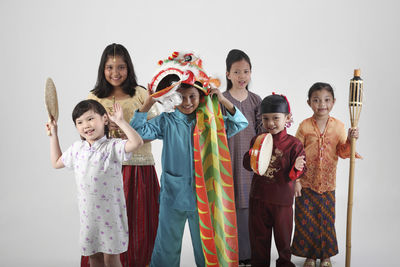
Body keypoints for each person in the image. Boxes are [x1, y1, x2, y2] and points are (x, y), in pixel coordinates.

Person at [130, 75, 248, 267]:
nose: (187, 102)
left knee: (205, 248)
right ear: (173, 98)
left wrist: (222, 99)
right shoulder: (166, 121)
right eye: (181, 97)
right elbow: (137, 132)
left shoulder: (211, 121)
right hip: (172, 195)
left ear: (201, 97)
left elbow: (240, 123)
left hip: (203, 198)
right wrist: (149, 102)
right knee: (166, 247)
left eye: (192, 96)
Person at [81, 43, 160, 267]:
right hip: (106, 170)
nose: (115, 73)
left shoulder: (142, 94)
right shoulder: (94, 97)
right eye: (110, 67)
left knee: (139, 223)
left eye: (121, 67)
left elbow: (154, 130)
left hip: (139, 168)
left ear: (129, 68)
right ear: (102, 69)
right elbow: (87, 133)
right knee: (106, 223)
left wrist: (129, 142)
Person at [46, 100, 143, 267]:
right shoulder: (77, 149)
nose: (86, 125)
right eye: (80, 122)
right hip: (89, 218)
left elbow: (137, 143)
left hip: (111, 217)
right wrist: (54, 134)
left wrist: (120, 121)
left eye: (90, 119)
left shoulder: (112, 146)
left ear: (104, 119)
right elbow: (56, 162)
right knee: (94, 258)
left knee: (112, 259)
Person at [291, 82, 360, 267]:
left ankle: (326, 256)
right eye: (316, 100)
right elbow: (295, 154)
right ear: (309, 103)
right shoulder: (304, 126)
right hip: (306, 184)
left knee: (326, 221)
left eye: (326, 100)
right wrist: (296, 180)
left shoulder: (339, 126)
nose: (322, 104)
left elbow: (344, 152)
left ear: (334, 102)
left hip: (328, 185)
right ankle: (311, 256)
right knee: (306, 220)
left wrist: (352, 139)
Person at [243, 94, 306, 267]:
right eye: (266, 118)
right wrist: (250, 156)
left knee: (283, 240)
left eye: (276, 118)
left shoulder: (294, 144)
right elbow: (248, 165)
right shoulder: (257, 140)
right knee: (258, 239)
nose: (270, 123)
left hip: (282, 201)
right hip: (258, 198)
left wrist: (298, 167)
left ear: (287, 118)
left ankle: (284, 264)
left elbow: (297, 172)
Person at [222, 49, 263, 266]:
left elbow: (262, 131)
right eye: (237, 72)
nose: (242, 76)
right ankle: (231, 253)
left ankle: (248, 253)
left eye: (246, 71)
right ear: (228, 73)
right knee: (230, 205)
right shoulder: (220, 99)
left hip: (251, 163)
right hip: (227, 160)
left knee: (249, 206)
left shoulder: (256, 100)